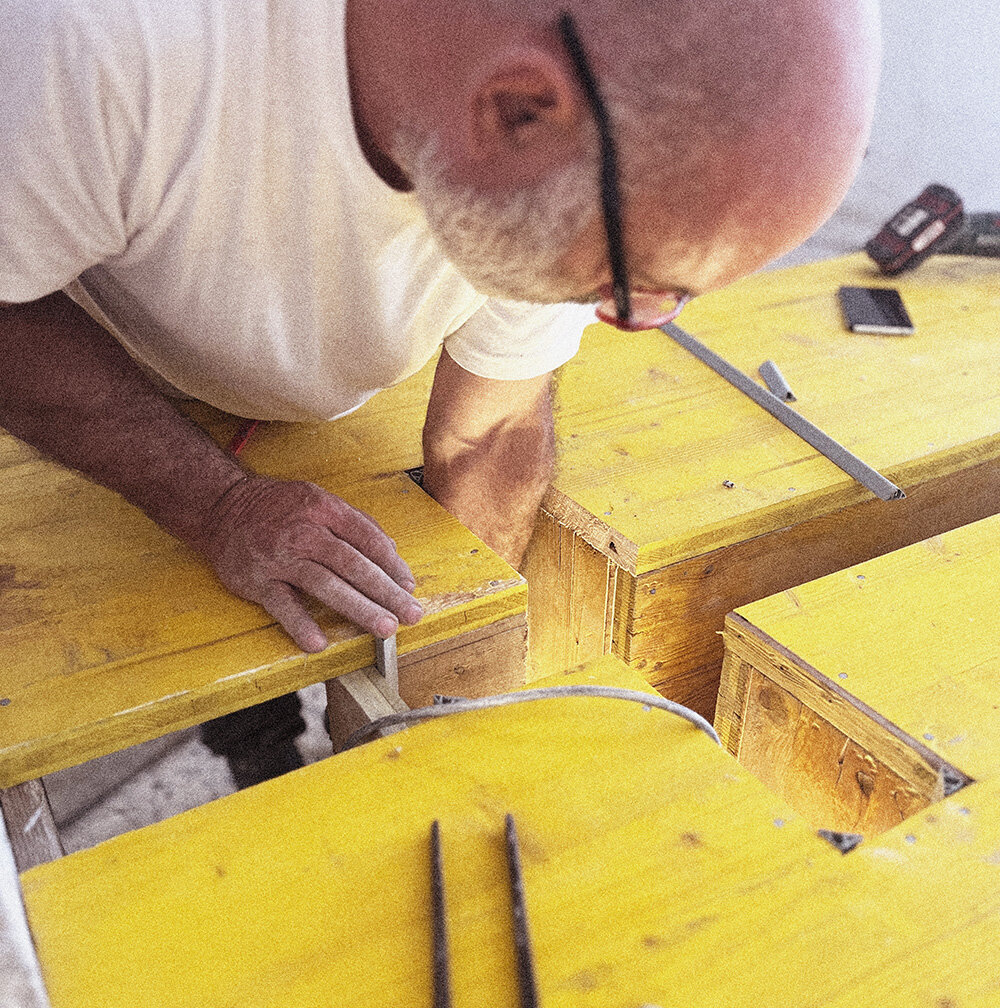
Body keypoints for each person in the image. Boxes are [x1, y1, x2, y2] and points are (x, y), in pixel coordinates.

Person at [0, 0, 880, 783]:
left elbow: (488, 436)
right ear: (514, 110)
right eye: (628, 279)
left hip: (299, 394)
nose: (633, 321)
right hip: (90, 387)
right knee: (215, 657)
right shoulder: (93, 44)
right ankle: (253, 743)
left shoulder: (544, 117)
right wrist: (214, 504)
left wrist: (450, 687)